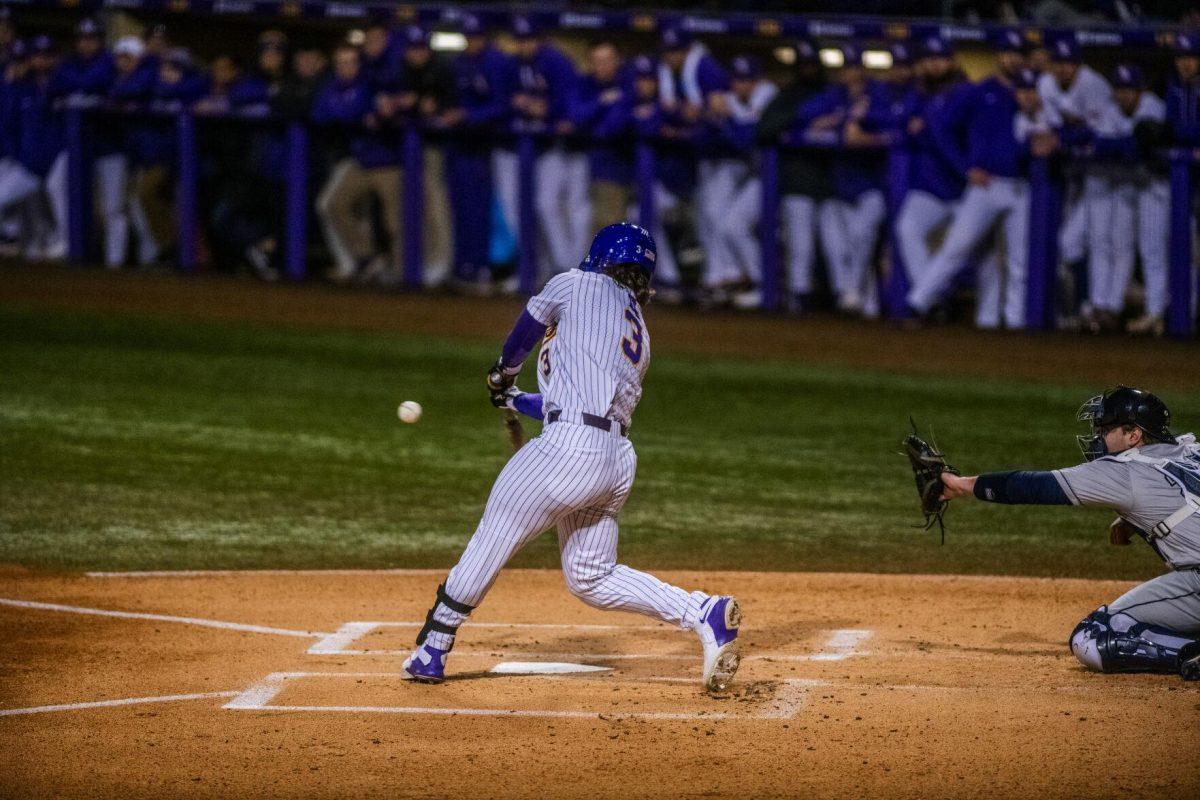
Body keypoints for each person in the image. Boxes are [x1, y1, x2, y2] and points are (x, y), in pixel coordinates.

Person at [400, 222, 742, 693]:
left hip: (570, 450)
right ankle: (702, 612)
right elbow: (569, 401)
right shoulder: (635, 325)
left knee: (494, 535)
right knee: (591, 576)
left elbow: (522, 337)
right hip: (613, 460)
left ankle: (432, 649)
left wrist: (502, 374)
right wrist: (516, 399)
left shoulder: (573, 284)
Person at [940, 386, 1200, 682]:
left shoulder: (1123, 471)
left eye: (1105, 429)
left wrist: (960, 484)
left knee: (1094, 634)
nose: (1098, 437)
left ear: (1133, 435)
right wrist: (1130, 522)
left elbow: (1034, 486)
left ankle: (1190, 653)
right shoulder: (1191, 451)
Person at [905, 48, 1032, 329]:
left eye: (1019, 54)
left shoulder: (1033, 92)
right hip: (986, 185)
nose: (1013, 59)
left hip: (1022, 186)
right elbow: (943, 129)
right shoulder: (980, 90)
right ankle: (917, 303)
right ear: (1000, 56)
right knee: (957, 248)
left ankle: (1013, 323)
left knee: (1017, 262)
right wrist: (965, 167)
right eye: (1008, 53)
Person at [729, 37, 831, 311]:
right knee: (798, 240)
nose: (808, 68)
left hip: (832, 182)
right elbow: (764, 128)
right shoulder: (786, 95)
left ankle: (831, 298)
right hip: (788, 178)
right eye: (803, 63)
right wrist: (803, 119)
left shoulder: (832, 93)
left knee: (836, 247)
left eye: (812, 63)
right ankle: (787, 293)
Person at [803, 44, 890, 318]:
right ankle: (853, 295)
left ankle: (854, 292)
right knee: (838, 244)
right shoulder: (834, 95)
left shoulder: (878, 93)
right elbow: (805, 116)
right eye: (845, 68)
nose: (849, 73)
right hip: (841, 185)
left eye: (853, 67)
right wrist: (844, 118)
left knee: (861, 238)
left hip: (873, 185)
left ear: (862, 69)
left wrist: (864, 123)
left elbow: (891, 120)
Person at [1036, 37, 1115, 331]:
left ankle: (1095, 306)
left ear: (1079, 65)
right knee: (1069, 245)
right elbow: (1053, 128)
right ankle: (1084, 308)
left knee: (1093, 243)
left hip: (1105, 177)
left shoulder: (1093, 84)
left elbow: (1096, 134)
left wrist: (1063, 137)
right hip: (1073, 177)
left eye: (1070, 63)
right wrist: (1063, 136)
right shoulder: (1045, 84)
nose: (1064, 69)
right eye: (1059, 63)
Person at [1088, 64, 1169, 335]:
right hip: (1125, 185)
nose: (1124, 95)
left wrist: (1122, 146)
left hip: (1154, 186)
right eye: (1119, 89)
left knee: (1151, 250)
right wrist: (1126, 144)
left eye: (1129, 89)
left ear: (1140, 90)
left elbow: (1142, 147)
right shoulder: (1111, 109)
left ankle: (1156, 312)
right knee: (1115, 243)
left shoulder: (1153, 106)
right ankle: (1108, 308)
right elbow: (1100, 146)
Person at [312, 43, 401, 284]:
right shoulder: (331, 87)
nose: (346, 67)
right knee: (330, 203)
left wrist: (358, 114)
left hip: (388, 161)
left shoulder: (371, 84)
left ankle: (404, 274)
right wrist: (355, 115)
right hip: (359, 160)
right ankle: (366, 257)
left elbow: (371, 110)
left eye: (351, 62)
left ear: (359, 64)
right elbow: (319, 115)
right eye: (341, 62)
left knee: (396, 221)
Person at [894, 36, 976, 295]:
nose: (935, 65)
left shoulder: (965, 92)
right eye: (930, 59)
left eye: (940, 59)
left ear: (951, 61)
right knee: (907, 229)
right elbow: (899, 120)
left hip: (969, 187)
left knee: (970, 253)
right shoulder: (918, 92)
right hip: (932, 186)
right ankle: (930, 297)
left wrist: (924, 128)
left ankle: (986, 315)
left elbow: (942, 131)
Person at [440, 14, 515, 291]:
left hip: (490, 146)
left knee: (488, 212)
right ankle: (466, 268)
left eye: (478, 36)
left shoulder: (497, 61)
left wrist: (468, 115)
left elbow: (503, 105)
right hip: (460, 145)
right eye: (469, 37)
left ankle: (487, 269)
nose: (474, 42)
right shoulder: (457, 63)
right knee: (462, 210)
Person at [508, 15, 586, 280]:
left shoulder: (556, 61)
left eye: (528, 39)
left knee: (553, 205)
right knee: (532, 208)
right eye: (519, 40)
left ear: (539, 39)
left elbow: (571, 106)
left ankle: (566, 269)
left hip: (562, 149)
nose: (523, 45)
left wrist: (548, 110)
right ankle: (542, 267)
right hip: (533, 148)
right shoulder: (517, 63)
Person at [657, 25, 729, 291]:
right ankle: (715, 276)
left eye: (676, 51)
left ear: (687, 50)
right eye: (667, 51)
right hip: (699, 160)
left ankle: (722, 275)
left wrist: (698, 115)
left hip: (726, 159)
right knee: (707, 217)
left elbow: (721, 115)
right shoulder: (671, 74)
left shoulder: (706, 69)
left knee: (716, 217)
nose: (670, 57)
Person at [700, 54, 776, 300]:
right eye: (738, 80)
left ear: (757, 81)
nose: (742, 85)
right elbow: (703, 136)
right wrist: (714, 117)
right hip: (753, 176)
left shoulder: (767, 94)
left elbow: (746, 139)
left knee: (735, 226)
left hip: (775, 178)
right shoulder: (730, 98)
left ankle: (763, 284)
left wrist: (725, 118)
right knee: (727, 224)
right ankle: (747, 280)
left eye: (748, 80)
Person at [386, 23, 454, 286]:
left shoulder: (441, 71)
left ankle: (440, 263)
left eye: (421, 49)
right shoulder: (399, 72)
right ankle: (412, 263)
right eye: (412, 49)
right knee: (407, 208)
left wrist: (432, 109)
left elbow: (450, 108)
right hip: (401, 150)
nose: (417, 54)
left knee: (435, 205)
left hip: (433, 149)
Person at [46, 17, 116, 264]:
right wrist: (79, 87)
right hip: (77, 145)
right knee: (55, 184)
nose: (86, 43)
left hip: (107, 143)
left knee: (111, 208)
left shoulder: (108, 61)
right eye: (83, 39)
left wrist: (74, 87)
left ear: (100, 40)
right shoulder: (70, 62)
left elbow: (96, 81)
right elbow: (55, 83)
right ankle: (68, 240)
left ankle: (115, 262)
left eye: (92, 38)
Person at [571, 41, 626, 232]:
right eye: (597, 61)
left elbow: (614, 127)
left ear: (617, 61)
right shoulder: (585, 84)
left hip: (616, 165)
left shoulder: (627, 84)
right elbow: (576, 116)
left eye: (607, 61)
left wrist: (591, 128)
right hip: (587, 162)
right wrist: (601, 102)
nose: (601, 66)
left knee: (609, 223)